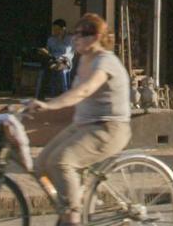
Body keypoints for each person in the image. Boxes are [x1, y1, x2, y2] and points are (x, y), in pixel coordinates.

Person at [26, 13, 131, 226]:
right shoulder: (83, 59)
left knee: (62, 160)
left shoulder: (105, 61)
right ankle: (73, 203)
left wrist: (49, 104)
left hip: (108, 128)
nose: (75, 38)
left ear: (96, 37)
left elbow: (84, 90)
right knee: (42, 164)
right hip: (84, 125)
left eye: (81, 34)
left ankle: (73, 217)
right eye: (75, 34)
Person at [46, 18, 74, 97]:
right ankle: (44, 94)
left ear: (63, 29)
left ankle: (65, 94)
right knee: (45, 68)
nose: (55, 31)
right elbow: (48, 51)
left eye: (57, 29)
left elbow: (68, 52)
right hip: (53, 59)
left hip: (65, 61)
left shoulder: (70, 39)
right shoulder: (51, 39)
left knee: (61, 67)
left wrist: (61, 39)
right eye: (54, 29)